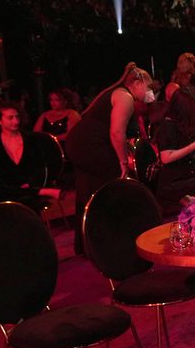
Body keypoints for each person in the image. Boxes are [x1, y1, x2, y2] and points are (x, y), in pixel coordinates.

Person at [66, 62, 154, 252]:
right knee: (114, 187)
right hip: (91, 146)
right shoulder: (125, 97)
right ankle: (115, 241)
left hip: (77, 143)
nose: (148, 92)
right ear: (138, 83)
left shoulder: (116, 91)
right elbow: (116, 133)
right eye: (148, 86)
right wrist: (123, 161)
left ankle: (87, 245)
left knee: (87, 190)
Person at [0, 101, 61, 207]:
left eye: (17, 117)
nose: (16, 121)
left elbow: (39, 167)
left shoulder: (32, 139)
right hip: (7, 187)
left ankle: (30, 192)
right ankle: (40, 191)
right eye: (10, 118)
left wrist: (29, 184)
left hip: (29, 184)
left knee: (15, 197)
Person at [153, 87, 195, 213]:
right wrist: (193, 146)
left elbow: (186, 155)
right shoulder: (167, 126)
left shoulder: (179, 124)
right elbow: (166, 157)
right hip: (174, 182)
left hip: (186, 174)